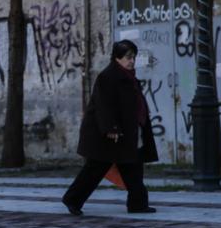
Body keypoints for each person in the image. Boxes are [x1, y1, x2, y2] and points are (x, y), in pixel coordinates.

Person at [62, 39, 158, 215]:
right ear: (117, 58)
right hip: (106, 134)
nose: (131, 61)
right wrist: (111, 128)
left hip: (126, 132)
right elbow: (102, 105)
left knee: (133, 166)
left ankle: (138, 204)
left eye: (133, 57)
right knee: (96, 168)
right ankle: (72, 199)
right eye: (128, 57)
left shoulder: (128, 76)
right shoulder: (108, 76)